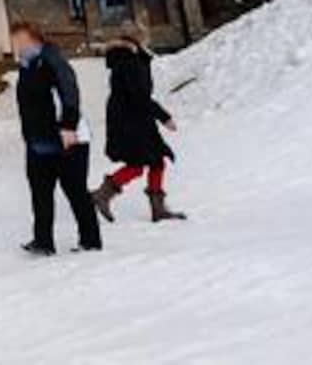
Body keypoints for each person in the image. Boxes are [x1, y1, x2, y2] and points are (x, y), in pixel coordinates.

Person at [12, 20, 103, 255]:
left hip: (67, 138)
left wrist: (68, 125)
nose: (17, 44)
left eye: (21, 39)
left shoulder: (51, 60)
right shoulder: (27, 66)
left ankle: (90, 240)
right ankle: (43, 241)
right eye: (15, 39)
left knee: (75, 190)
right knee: (40, 192)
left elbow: (68, 90)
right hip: (38, 141)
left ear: (35, 38)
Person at [93, 32, 186, 223]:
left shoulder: (128, 60)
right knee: (140, 164)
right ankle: (102, 195)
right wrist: (164, 117)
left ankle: (156, 209)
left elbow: (139, 94)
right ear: (137, 41)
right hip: (132, 122)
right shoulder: (129, 62)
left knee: (154, 162)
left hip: (133, 120)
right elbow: (140, 96)